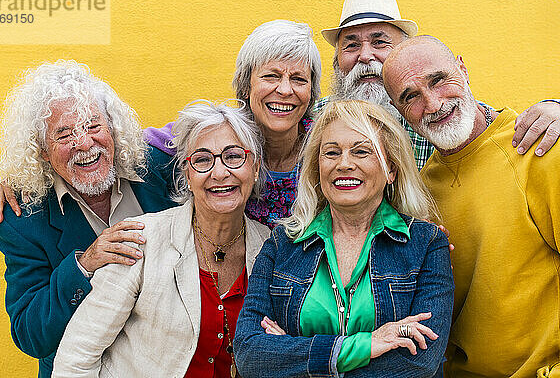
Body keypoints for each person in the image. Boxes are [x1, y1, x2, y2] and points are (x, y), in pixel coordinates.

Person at [234, 100, 454, 377]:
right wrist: (367, 345)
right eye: (331, 153)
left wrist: (293, 356)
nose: (344, 164)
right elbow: (250, 355)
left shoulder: (426, 244)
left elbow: (418, 363)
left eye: (362, 152)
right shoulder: (283, 243)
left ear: (392, 170)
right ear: (317, 167)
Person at [382, 35, 560, 377]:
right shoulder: (419, 193)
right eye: (411, 97)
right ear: (399, 111)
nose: (432, 104)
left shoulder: (537, 148)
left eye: (438, 80)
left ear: (462, 69)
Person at [51, 100, 270, 377]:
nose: (219, 172)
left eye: (234, 156)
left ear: (256, 167)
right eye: (202, 159)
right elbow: (77, 357)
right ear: (187, 174)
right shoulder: (140, 240)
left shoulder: (269, 249)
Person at [0, 60, 176, 378]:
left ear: (114, 130)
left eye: (93, 126)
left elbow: (231, 128)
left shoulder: (159, 165)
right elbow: (29, 334)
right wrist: (84, 264)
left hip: (170, 361)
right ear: (42, 152)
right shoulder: (22, 216)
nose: (84, 143)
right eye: (64, 135)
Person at [318, 0, 560, 169]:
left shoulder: (439, 115)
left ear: (404, 53)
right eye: (351, 46)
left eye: (380, 42)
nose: (365, 56)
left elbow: (492, 125)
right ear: (336, 60)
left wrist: (554, 109)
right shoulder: (314, 118)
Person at [145, 19, 321, 228]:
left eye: (299, 79)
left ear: (311, 92)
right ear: (246, 86)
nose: (285, 90)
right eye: (271, 76)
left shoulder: (326, 143)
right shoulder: (224, 132)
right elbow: (154, 141)